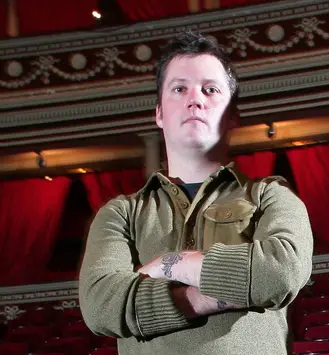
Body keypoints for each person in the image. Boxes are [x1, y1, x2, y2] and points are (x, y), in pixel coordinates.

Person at [79, 31, 314, 355]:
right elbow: (100, 304)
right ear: (159, 112)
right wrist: (229, 291)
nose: (196, 99)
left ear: (233, 114)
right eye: (179, 88)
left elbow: (280, 273)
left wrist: (169, 265)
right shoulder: (120, 214)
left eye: (210, 89)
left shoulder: (272, 196)